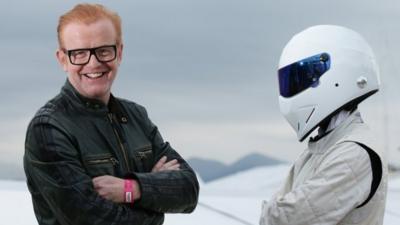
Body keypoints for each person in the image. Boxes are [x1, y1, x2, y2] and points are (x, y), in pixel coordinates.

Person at [24, 3, 199, 225]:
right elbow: (92, 220)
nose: (94, 63)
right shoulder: (49, 128)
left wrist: (131, 189)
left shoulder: (136, 116)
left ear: (119, 53)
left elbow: (189, 190)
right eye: (79, 53)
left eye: (104, 50)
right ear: (62, 59)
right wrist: (156, 208)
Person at [259, 25, 388, 225]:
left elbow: (282, 218)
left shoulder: (355, 152)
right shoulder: (322, 146)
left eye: (303, 77)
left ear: (337, 77)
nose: (295, 86)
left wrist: (271, 210)